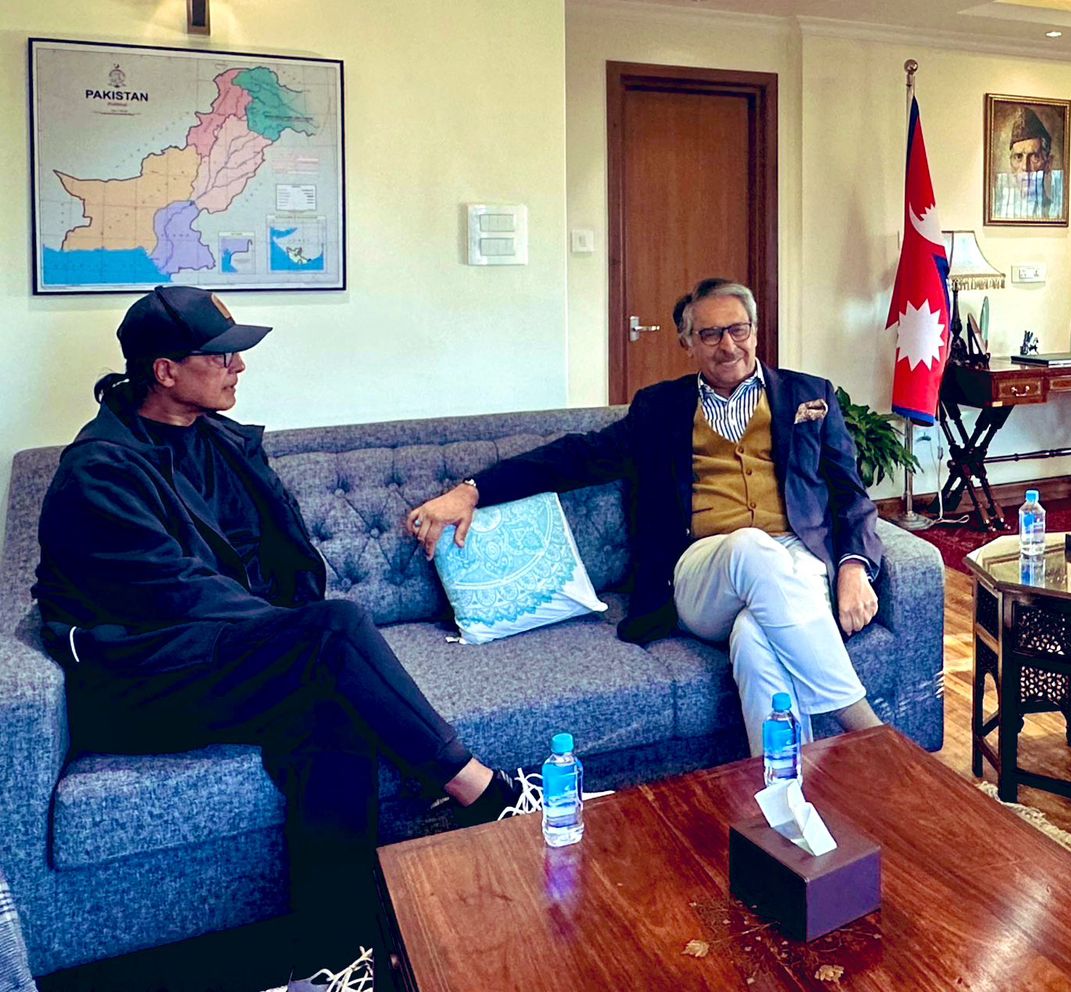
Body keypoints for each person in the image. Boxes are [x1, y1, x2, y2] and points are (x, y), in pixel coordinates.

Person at [32, 286, 525, 990]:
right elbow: (176, 594)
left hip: (222, 660)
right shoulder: (98, 471)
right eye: (221, 356)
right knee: (335, 630)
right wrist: (298, 639)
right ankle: (483, 792)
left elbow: (285, 560)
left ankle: (331, 962)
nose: (239, 367)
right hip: (141, 679)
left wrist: (299, 641)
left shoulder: (225, 444)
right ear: (164, 371)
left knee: (331, 708)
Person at [409, 277, 885, 755]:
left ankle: (785, 789)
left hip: (798, 560)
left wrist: (853, 567)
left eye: (737, 330)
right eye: (710, 334)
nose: (727, 346)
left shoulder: (809, 393)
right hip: (703, 573)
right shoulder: (659, 409)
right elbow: (575, 457)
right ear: (687, 343)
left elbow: (851, 494)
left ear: (756, 331)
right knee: (750, 546)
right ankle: (864, 726)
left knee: (754, 639)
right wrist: (473, 490)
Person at [992, 106, 1064, 221]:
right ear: (1011, 164)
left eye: (1034, 157)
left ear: (1048, 164)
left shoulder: (1055, 212)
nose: (1025, 167)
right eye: (1018, 157)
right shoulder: (1001, 210)